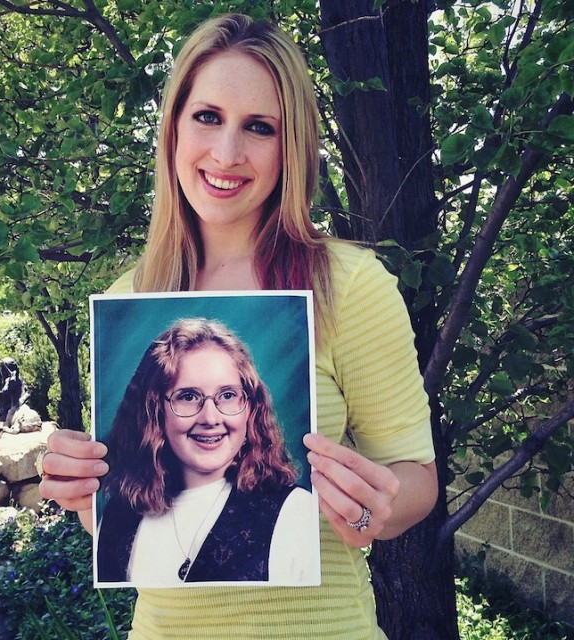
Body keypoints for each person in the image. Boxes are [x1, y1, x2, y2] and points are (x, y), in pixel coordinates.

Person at [40, 12, 438, 639]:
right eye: (207, 116)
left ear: (291, 147)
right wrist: (83, 491)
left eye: (259, 127)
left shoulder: (350, 286)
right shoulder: (127, 298)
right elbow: (130, 545)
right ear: (173, 127)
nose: (227, 153)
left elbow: (417, 478)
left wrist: (375, 509)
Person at [96, 317, 318, 586]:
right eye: (188, 397)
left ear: (250, 407)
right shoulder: (118, 514)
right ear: (155, 411)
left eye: (227, 395)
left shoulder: (295, 512)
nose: (210, 418)